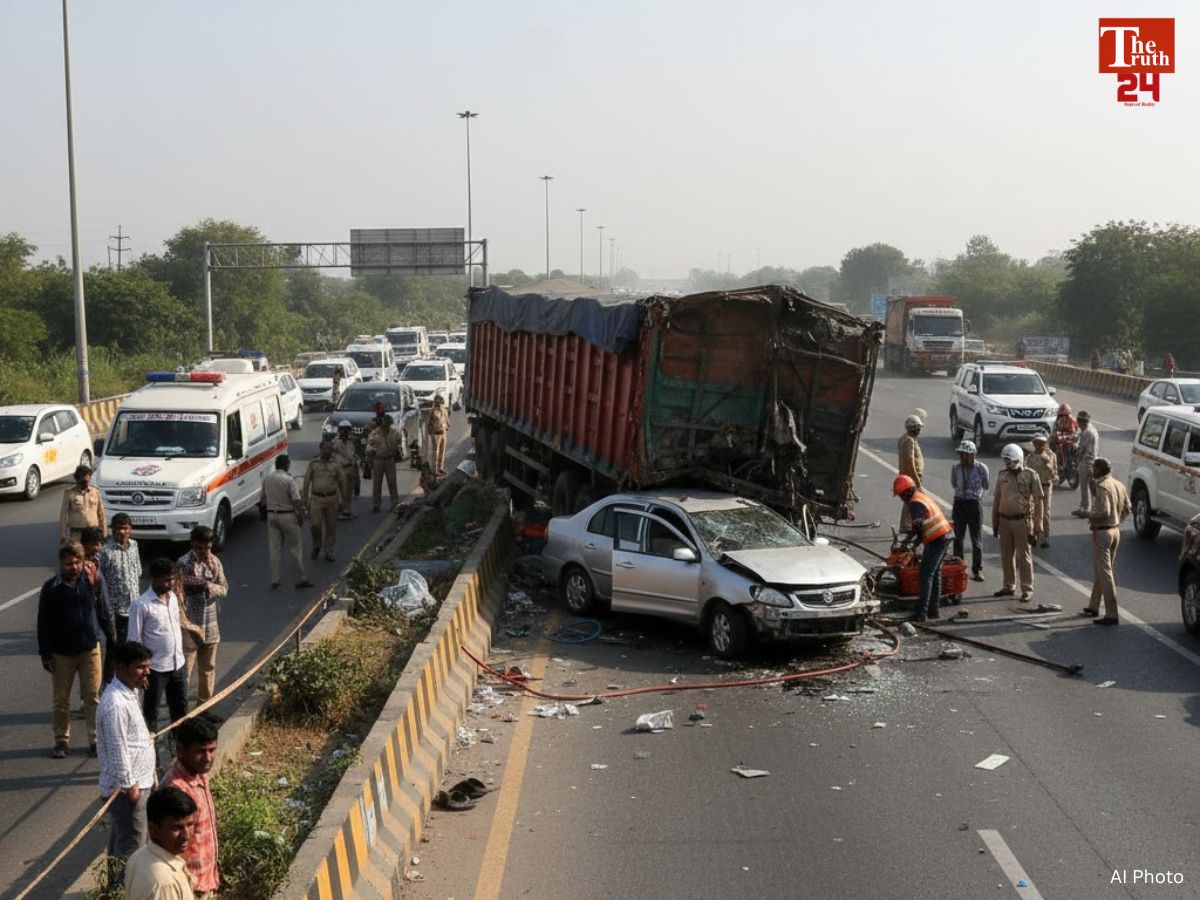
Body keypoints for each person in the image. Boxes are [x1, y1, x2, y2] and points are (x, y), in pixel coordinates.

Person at [37, 541, 113, 758]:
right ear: (62, 563)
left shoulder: (92, 581)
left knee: (93, 697)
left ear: (83, 561)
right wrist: (45, 653)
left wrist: (112, 636)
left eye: (77, 562)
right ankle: (61, 741)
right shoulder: (51, 588)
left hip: (90, 649)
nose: (74, 567)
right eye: (69, 563)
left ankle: (95, 740)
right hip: (61, 653)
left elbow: (104, 608)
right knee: (61, 699)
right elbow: (43, 623)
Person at [97, 640, 156, 859]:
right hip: (127, 790)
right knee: (133, 849)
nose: (147, 672)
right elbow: (117, 748)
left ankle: (114, 890)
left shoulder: (129, 692)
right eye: (140, 667)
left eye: (148, 666)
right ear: (121, 668)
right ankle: (125, 890)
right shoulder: (115, 704)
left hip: (138, 783)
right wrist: (130, 787)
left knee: (120, 842)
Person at [129, 559, 196, 734]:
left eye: (172, 579)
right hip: (155, 670)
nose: (170, 584)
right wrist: (141, 672)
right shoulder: (141, 605)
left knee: (180, 711)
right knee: (151, 713)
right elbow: (134, 641)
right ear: (154, 579)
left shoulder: (173, 598)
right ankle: (152, 755)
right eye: (166, 580)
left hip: (178, 666)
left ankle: (179, 749)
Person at [162, 716, 220, 898]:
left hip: (206, 881)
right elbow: (168, 848)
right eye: (200, 751)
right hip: (189, 888)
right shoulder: (176, 790)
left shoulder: (200, 777)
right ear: (180, 751)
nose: (208, 758)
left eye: (212, 750)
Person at [174, 526, 230, 704]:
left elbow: (224, 588)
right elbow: (177, 592)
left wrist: (207, 587)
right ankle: (180, 707)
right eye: (199, 548)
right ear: (192, 545)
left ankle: (204, 705)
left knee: (208, 667)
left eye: (207, 548)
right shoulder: (183, 563)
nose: (204, 552)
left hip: (210, 622)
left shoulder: (215, 562)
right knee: (186, 668)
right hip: (189, 623)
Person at [892, 475, 952, 622]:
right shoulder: (920, 496)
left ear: (905, 492)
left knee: (925, 575)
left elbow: (918, 527)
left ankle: (921, 613)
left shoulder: (914, 503)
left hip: (938, 538)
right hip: (945, 535)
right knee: (935, 573)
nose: (901, 500)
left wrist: (910, 545)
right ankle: (933, 611)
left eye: (900, 496)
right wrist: (912, 542)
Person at [1081, 457, 1132, 625]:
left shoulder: (1102, 487)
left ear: (1099, 470)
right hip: (1115, 531)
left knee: (1105, 573)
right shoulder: (1118, 484)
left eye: (1094, 468)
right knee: (1101, 571)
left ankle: (1111, 613)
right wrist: (1116, 522)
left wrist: (1087, 514)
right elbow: (1127, 509)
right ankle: (1094, 605)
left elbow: (1104, 511)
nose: (1092, 471)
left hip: (1103, 532)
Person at [991, 444, 1045, 604]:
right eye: (1006, 461)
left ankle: (1027, 589)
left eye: (1011, 461)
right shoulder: (1002, 476)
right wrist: (995, 522)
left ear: (1019, 459)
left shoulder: (1031, 475)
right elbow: (996, 500)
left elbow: (1038, 501)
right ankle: (1008, 586)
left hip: (1022, 521)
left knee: (1024, 557)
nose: (1008, 465)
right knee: (1006, 556)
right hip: (1004, 520)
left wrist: (1037, 526)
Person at [124, 786, 197, 900]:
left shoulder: (138, 857)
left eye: (190, 824)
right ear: (154, 830)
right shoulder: (165, 884)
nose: (186, 835)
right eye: (176, 828)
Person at [100, 513, 143, 683]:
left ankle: (129, 680)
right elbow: (101, 580)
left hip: (134, 607)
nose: (122, 532)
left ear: (130, 529)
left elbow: (138, 571)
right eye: (118, 528)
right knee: (114, 649)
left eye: (125, 528)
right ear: (113, 530)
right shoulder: (106, 551)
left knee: (133, 648)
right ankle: (108, 684)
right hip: (116, 610)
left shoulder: (134, 546)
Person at [262, 454, 313, 589]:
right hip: (287, 516)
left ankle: (275, 579)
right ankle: (300, 579)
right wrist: (301, 516)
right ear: (286, 465)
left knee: (274, 549)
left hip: (271, 515)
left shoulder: (267, 479)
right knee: (295, 549)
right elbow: (296, 501)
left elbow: (262, 499)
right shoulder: (289, 480)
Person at [949, 439, 989, 582]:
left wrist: (975, 496)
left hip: (974, 504)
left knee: (976, 539)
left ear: (973, 455)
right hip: (959, 504)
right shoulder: (956, 468)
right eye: (962, 454)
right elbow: (954, 484)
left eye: (966, 454)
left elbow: (985, 485)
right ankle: (958, 568)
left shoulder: (981, 468)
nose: (963, 457)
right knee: (957, 538)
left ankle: (977, 569)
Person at [303, 442, 344, 562]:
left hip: (332, 498)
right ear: (320, 449)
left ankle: (329, 552)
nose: (327, 451)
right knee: (315, 525)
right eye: (325, 449)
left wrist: (343, 501)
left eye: (329, 449)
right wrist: (305, 498)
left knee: (331, 526)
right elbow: (306, 481)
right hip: (316, 499)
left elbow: (342, 481)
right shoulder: (313, 463)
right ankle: (317, 544)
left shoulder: (336, 464)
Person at [1025, 431, 1059, 549]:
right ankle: (1034, 535)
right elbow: (1026, 473)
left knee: (1045, 513)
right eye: (1038, 444)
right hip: (1033, 488)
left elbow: (1055, 477)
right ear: (1034, 444)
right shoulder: (1030, 457)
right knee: (1032, 511)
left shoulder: (1051, 456)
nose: (1040, 446)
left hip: (1045, 486)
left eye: (1042, 444)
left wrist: (1047, 463)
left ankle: (1046, 537)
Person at [59, 464, 107, 545]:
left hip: (93, 532)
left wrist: (104, 533)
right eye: (83, 481)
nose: (86, 484)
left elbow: (101, 514)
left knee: (93, 556)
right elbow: (64, 515)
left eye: (88, 480)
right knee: (77, 555)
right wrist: (63, 535)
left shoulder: (96, 492)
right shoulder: (69, 493)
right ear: (77, 479)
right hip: (76, 533)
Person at [367, 413, 401, 512]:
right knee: (377, 483)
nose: (387, 426)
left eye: (389, 424)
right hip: (378, 460)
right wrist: (371, 451)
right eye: (386, 424)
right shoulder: (374, 434)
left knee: (392, 482)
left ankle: (394, 502)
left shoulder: (394, 433)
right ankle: (376, 504)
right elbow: (369, 446)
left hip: (390, 459)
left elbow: (399, 440)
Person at [897, 414, 924, 531]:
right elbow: (910, 461)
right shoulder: (909, 441)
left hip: (906, 477)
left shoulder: (904, 438)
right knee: (914, 501)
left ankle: (905, 525)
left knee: (908, 502)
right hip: (910, 477)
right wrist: (917, 480)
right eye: (918, 427)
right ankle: (909, 525)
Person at [1072, 411, 1100, 518]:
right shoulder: (1091, 429)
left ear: (1081, 422)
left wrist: (1075, 452)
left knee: (1085, 487)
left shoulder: (1087, 433)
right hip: (1093, 460)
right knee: (1092, 487)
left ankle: (1085, 509)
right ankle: (1088, 508)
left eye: (1078, 422)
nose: (1077, 424)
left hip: (1086, 462)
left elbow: (1081, 449)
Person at [332, 420, 359, 519]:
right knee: (340, 491)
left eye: (347, 431)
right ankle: (341, 509)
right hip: (340, 470)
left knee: (349, 491)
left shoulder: (351, 443)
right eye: (343, 430)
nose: (345, 433)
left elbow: (354, 457)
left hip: (350, 470)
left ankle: (347, 509)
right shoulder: (335, 444)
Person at [1050, 403, 1079, 477]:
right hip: (1061, 438)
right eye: (1061, 415)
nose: (1062, 417)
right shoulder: (1058, 420)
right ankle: (1055, 463)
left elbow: (1073, 434)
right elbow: (1055, 430)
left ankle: (1064, 464)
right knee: (1051, 444)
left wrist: (1063, 437)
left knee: (1062, 446)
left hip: (1072, 439)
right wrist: (1054, 436)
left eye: (1064, 415)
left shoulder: (1071, 421)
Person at [427, 395, 450, 475]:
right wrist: (431, 435)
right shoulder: (433, 411)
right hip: (436, 434)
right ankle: (434, 469)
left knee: (442, 451)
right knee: (435, 452)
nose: (442, 405)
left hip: (443, 433)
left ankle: (440, 468)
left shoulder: (445, 411)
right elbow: (429, 424)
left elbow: (447, 420)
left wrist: (447, 426)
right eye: (440, 403)